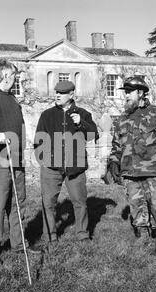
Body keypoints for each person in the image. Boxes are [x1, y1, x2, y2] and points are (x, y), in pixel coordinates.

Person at [0, 59, 39, 265]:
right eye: (13, 75)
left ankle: (19, 245)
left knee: (18, 203)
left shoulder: (12, 98)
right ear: (4, 75)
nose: (15, 79)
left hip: (16, 156)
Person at [107, 76, 156, 255]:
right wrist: (113, 162)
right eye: (126, 93)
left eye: (129, 92)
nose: (126, 96)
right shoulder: (122, 119)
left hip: (153, 169)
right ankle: (143, 236)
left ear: (141, 93)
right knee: (136, 205)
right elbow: (116, 146)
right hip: (130, 171)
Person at [34, 80, 98, 248]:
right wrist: (44, 159)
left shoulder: (83, 114)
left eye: (61, 93)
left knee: (80, 202)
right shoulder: (46, 115)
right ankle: (49, 236)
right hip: (51, 168)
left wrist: (80, 123)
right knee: (48, 203)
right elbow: (38, 140)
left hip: (75, 167)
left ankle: (82, 234)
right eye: (56, 92)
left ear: (71, 95)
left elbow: (93, 135)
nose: (57, 95)